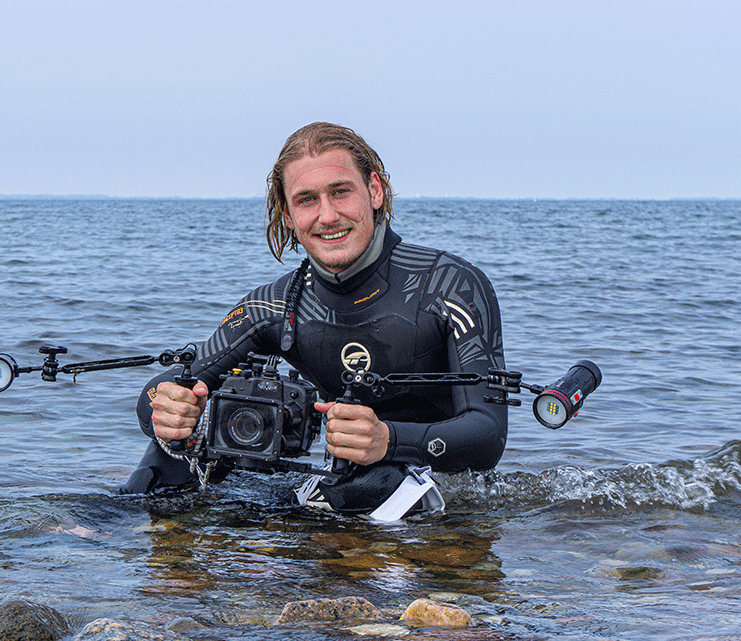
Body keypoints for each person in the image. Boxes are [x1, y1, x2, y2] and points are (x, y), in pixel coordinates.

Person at [120, 122, 507, 513]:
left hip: (426, 487)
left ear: (374, 190)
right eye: (306, 200)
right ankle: (106, 544)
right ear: (287, 214)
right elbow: (161, 390)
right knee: (173, 451)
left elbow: (488, 434)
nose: (327, 215)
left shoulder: (448, 285)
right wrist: (170, 412)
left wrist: (387, 439)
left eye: (340, 192)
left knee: (373, 481)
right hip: (337, 480)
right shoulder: (276, 305)